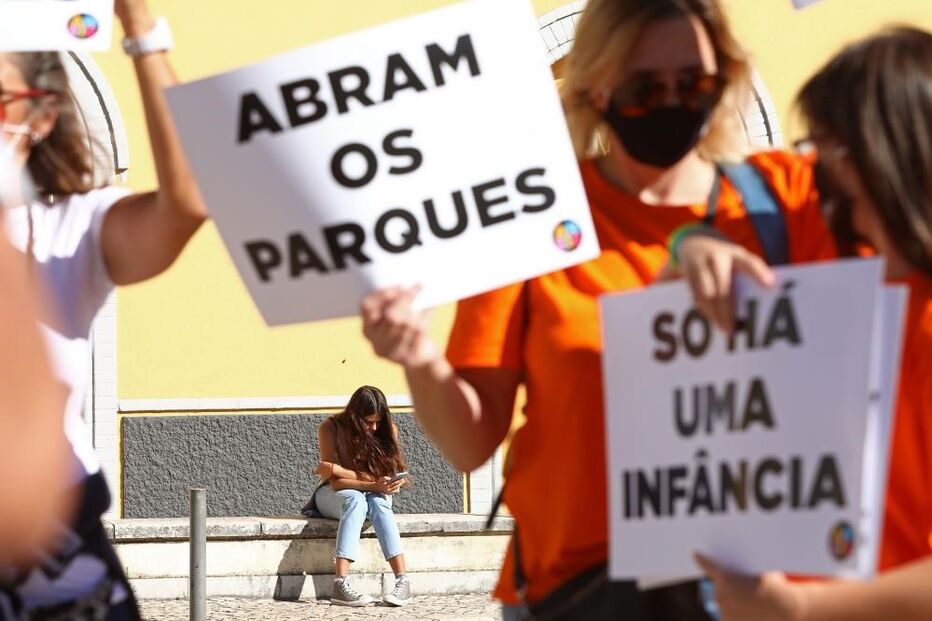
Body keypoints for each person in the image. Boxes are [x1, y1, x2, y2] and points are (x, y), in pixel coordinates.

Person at [361, 0, 835, 618]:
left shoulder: (785, 200)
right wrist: (418, 356)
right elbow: (472, 441)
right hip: (582, 590)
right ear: (597, 85)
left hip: (767, 583)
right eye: (644, 85)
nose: (670, 100)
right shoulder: (531, 214)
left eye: (693, 82)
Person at [682, 26, 932, 621]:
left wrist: (798, 606)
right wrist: (692, 244)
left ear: (877, 152)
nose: (811, 165)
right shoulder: (856, 280)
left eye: (824, 145)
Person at [0, 0, 207, 616]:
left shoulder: (67, 227)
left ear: (39, 116)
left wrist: (142, 29)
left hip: (54, 551)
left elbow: (190, 199)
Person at [311, 385, 412, 607]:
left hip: (374, 494)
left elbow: (381, 475)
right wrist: (371, 483)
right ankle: (340, 584)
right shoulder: (331, 428)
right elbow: (335, 481)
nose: (373, 427)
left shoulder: (387, 430)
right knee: (355, 500)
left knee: (378, 503)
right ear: (354, 417)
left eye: (377, 421)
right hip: (332, 494)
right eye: (367, 422)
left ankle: (403, 581)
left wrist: (338, 468)